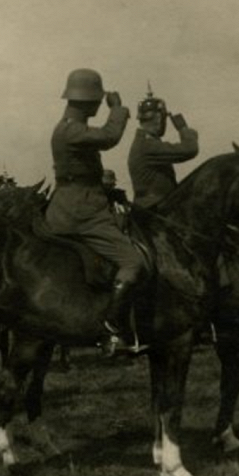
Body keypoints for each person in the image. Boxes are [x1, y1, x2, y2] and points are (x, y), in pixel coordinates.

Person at [46, 68, 144, 355]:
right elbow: (110, 136)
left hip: (70, 204)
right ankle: (113, 329)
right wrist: (119, 109)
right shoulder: (72, 130)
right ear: (89, 102)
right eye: (97, 100)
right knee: (132, 260)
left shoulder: (66, 128)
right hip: (83, 211)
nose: (100, 104)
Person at [127, 86, 199, 212]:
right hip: (154, 212)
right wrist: (184, 130)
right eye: (165, 118)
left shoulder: (145, 142)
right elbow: (190, 149)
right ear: (159, 118)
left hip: (152, 209)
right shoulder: (147, 145)